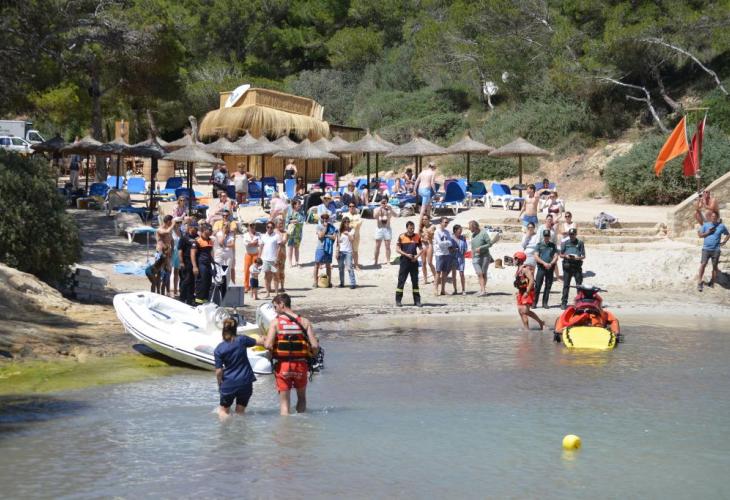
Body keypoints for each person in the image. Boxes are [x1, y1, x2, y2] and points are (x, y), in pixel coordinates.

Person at [264, 293, 319, 416]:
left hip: (283, 366)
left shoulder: (275, 323)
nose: (275, 310)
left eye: (275, 307)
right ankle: (301, 423)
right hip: (301, 365)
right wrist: (312, 355)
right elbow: (315, 346)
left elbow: (268, 345)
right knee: (302, 398)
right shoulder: (304, 322)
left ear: (282, 304)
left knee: (284, 402)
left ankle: (286, 425)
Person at [214, 318, 264, 420]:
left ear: (223, 330)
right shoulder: (242, 340)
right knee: (240, 413)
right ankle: (240, 429)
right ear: (235, 329)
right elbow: (261, 342)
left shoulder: (219, 349)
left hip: (229, 383)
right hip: (245, 382)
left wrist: (219, 383)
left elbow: (219, 371)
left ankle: (225, 430)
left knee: (223, 411)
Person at [697, 210, 729, 291]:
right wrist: (708, 232)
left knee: (714, 267)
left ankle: (712, 282)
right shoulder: (706, 225)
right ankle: (699, 282)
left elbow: (728, 234)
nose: (713, 218)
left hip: (716, 250)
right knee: (703, 264)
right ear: (710, 217)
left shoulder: (721, 226)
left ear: (717, 217)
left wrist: (724, 242)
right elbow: (700, 235)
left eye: (715, 217)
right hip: (706, 249)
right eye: (712, 216)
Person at [513, 251, 545, 330]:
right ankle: (526, 329)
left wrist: (527, 292)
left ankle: (540, 322)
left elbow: (531, 280)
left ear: (520, 260)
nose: (514, 260)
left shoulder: (525, 269)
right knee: (521, 311)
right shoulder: (518, 269)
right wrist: (518, 291)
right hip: (521, 291)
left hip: (528, 291)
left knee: (525, 311)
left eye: (515, 258)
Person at [395, 221, 423, 307]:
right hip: (404, 261)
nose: (412, 230)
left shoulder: (417, 236)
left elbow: (421, 249)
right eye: (410, 228)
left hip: (414, 261)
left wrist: (416, 257)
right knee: (401, 280)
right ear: (407, 228)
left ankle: (417, 301)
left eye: (413, 228)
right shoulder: (401, 236)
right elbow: (397, 249)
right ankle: (398, 300)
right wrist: (406, 255)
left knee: (415, 281)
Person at [560, 227, 586, 309]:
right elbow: (561, 254)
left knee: (579, 285)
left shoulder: (580, 243)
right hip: (567, 266)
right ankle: (564, 303)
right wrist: (566, 256)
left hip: (577, 266)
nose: (571, 236)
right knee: (566, 285)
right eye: (570, 234)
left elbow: (583, 256)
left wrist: (578, 258)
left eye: (573, 234)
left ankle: (579, 302)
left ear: (575, 234)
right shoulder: (565, 243)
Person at [469, 221, 496, 297]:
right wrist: (472, 255)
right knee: (479, 273)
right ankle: (483, 290)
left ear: (474, 226)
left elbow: (490, 244)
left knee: (483, 273)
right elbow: (472, 247)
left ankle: (482, 290)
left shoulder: (483, 233)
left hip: (485, 256)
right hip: (475, 257)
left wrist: (481, 248)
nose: (469, 229)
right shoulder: (473, 235)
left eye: (470, 227)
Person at [534, 229, 559, 308]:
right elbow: (536, 256)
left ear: (549, 236)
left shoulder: (553, 245)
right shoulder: (539, 245)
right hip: (541, 267)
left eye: (548, 236)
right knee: (538, 285)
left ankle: (545, 303)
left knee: (548, 286)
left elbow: (556, 256)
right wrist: (544, 263)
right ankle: (534, 303)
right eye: (545, 236)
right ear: (543, 236)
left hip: (550, 268)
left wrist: (551, 263)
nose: (546, 237)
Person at [191, 223, 215, 304]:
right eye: (210, 230)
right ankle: (198, 302)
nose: (211, 231)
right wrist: (194, 266)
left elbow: (210, 253)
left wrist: (213, 263)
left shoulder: (210, 240)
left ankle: (205, 301)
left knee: (208, 283)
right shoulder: (197, 241)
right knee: (201, 283)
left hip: (208, 264)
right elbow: (192, 254)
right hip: (201, 265)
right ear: (204, 230)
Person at [213, 220, 236, 299]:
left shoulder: (231, 234)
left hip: (228, 254)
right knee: (219, 271)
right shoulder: (219, 233)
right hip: (220, 254)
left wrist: (226, 245)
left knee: (227, 272)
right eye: (224, 225)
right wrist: (224, 233)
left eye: (227, 226)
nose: (226, 227)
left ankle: (226, 289)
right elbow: (221, 242)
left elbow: (232, 244)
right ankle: (218, 289)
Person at [313, 213, 337, 288]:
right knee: (317, 264)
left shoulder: (332, 227)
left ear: (328, 219)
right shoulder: (319, 227)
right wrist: (325, 228)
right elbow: (320, 236)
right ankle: (315, 282)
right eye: (323, 218)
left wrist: (326, 235)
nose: (325, 219)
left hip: (329, 248)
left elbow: (334, 237)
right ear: (321, 219)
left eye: (326, 218)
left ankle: (329, 282)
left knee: (328, 265)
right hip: (320, 247)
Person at [177, 220, 198, 305]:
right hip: (186, 261)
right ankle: (182, 298)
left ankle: (190, 299)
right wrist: (181, 262)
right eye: (193, 227)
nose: (195, 229)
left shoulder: (197, 237)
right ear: (190, 228)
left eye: (196, 228)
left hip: (194, 262)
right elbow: (180, 251)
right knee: (186, 280)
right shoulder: (184, 238)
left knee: (192, 282)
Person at [433, 217, 454, 296]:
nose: (446, 224)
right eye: (445, 222)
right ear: (440, 222)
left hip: (446, 253)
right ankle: (436, 289)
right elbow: (440, 243)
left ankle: (443, 290)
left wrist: (446, 243)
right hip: (439, 253)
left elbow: (451, 243)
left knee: (444, 272)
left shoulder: (447, 232)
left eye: (447, 222)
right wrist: (447, 243)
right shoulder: (437, 232)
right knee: (438, 272)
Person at [260, 221, 280, 298]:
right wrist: (259, 257)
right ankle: (267, 292)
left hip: (273, 259)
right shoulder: (263, 236)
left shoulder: (276, 236)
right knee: (266, 276)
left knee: (275, 276)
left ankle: (276, 293)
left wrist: (277, 257)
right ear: (266, 227)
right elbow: (261, 247)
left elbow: (279, 247)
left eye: (271, 227)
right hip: (265, 259)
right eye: (268, 227)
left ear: (273, 228)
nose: (269, 229)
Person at [335, 218, 356, 288]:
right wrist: (337, 252)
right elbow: (338, 242)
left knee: (349, 267)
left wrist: (348, 234)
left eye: (348, 222)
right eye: (345, 222)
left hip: (348, 251)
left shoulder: (352, 230)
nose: (347, 223)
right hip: (341, 251)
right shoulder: (339, 231)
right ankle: (342, 283)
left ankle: (352, 283)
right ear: (343, 223)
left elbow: (352, 240)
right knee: (341, 268)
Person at [342, 202, 363, 269]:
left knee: (355, 250)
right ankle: (347, 265)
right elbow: (344, 224)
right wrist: (354, 224)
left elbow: (359, 223)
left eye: (353, 206)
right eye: (350, 206)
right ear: (348, 207)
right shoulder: (345, 215)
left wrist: (351, 224)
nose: (351, 207)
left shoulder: (358, 215)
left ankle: (356, 265)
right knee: (347, 250)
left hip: (356, 235)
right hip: (347, 235)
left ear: (355, 207)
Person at [373, 198, 393, 265]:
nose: (384, 204)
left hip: (387, 228)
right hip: (379, 228)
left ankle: (388, 261)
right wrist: (380, 208)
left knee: (387, 246)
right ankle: (376, 261)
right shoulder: (376, 209)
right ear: (380, 202)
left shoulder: (389, 209)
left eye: (385, 202)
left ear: (387, 202)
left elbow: (396, 215)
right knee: (377, 246)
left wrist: (391, 209)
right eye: (382, 202)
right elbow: (374, 216)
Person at [242, 222, 261, 292]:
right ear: (248, 227)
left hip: (255, 254)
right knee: (246, 271)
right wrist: (254, 243)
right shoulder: (245, 235)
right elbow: (245, 244)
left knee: (255, 271)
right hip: (248, 254)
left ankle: (254, 286)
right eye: (251, 225)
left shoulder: (258, 234)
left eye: (253, 225)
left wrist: (250, 243)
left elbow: (260, 243)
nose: (252, 227)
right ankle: (246, 286)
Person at [285, 199, 305, 267]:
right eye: (298, 204)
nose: (299, 205)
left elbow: (302, 221)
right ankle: (290, 262)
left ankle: (297, 262)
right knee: (290, 247)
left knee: (296, 248)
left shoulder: (301, 213)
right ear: (294, 205)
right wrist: (292, 221)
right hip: (291, 232)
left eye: (300, 204)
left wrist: (296, 221)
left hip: (298, 233)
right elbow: (286, 221)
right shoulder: (290, 212)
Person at [419, 215, 436, 284]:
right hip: (423, 245)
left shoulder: (432, 226)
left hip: (429, 245)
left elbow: (431, 236)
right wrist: (422, 237)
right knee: (423, 263)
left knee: (429, 262)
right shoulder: (421, 227)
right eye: (423, 219)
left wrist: (427, 233)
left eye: (426, 219)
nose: (424, 220)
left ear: (429, 220)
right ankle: (425, 280)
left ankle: (436, 278)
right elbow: (419, 237)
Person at [451, 224, 468, 295]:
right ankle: (455, 290)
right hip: (453, 257)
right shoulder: (451, 238)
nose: (461, 231)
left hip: (461, 257)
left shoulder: (463, 238)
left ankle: (463, 290)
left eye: (461, 230)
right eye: (459, 230)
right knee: (454, 274)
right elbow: (449, 248)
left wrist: (464, 250)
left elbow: (466, 247)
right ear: (455, 230)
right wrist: (454, 249)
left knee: (461, 273)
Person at [275, 218, 288, 293]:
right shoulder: (274, 232)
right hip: (274, 253)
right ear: (276, 224)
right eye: (279, 223)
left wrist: (278, 241)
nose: (281, 225)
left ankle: (282, 286)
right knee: (274, 271)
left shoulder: (285, 233)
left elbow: (284, 242)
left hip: (282, 254)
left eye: (282, 223)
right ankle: (275, 287)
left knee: (281, 271)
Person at [170, 217, 183, 297]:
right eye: (177, 222)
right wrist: (172, 224)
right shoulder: (171, 231)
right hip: (172, 252)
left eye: (180, 222)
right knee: (169, 271)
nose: (179, 224)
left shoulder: (180, 231)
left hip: (178, 252)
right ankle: (168, 290)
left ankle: (175, 290)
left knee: (176, 272)